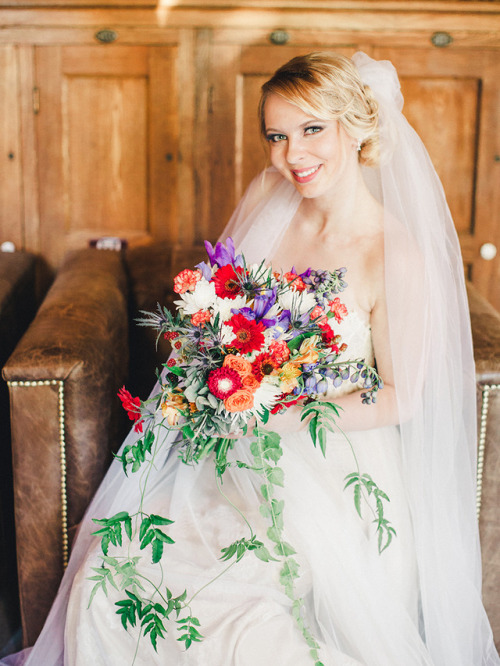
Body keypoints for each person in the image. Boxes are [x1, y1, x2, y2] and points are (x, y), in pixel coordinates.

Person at [2, 52, 499, 666]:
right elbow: (219, 307)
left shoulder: (393, 254)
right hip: (229, 442)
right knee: (116, 574)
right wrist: (213, 361)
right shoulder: (269, 192)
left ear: (355, 126)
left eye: (312, 129)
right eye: (277, 136)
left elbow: (402, 396)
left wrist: (282, 416)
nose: (293, 155)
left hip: (332, 465)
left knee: (237, 613)